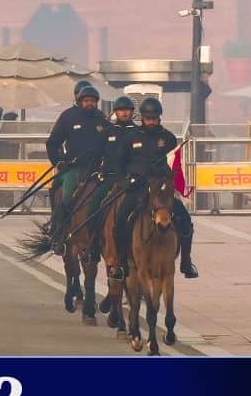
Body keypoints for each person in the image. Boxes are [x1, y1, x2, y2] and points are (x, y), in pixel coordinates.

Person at [111, 98, 198, 278]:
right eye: (148, 118)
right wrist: (124, 181)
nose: (151, 121)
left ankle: (186, 261)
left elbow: (174, 167)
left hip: (160, 189)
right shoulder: (131, 137)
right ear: (142, 118)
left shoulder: (167, 138)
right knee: (119, 221)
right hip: (137, 187)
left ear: (159, 118)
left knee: (185, 221)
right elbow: (119, 164)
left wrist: (167, 179)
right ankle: (121, 263)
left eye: (154, 118)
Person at [45, 83, 108, 251]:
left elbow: (112, 144)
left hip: (96, 169)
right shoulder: (68, 117)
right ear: (80, 101)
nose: (90, 104)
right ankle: (59, 233)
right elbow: (52, 143)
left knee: (110, 199)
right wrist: (59, 162)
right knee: (66, 197)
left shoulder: (102, 119)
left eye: (93, 101)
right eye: (86, 100)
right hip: (74, 168)